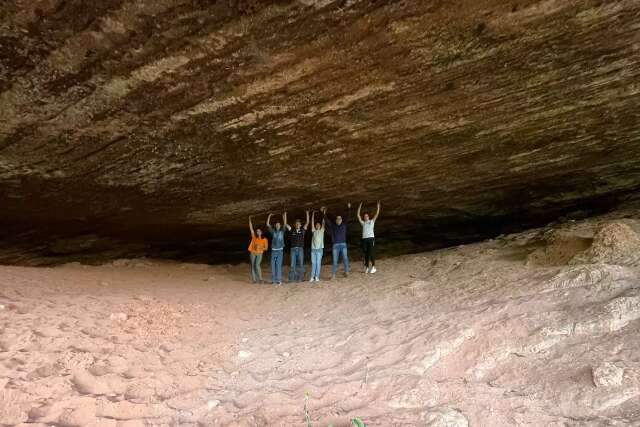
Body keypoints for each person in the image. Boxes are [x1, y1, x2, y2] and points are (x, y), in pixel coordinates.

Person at [321, 203, 350, 280]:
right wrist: (323, 213)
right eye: (337, 219)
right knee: (334, 260)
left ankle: (346, 272)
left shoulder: (344, 224)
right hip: (335, 245)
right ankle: (333, 275)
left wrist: (349, 208)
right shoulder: (333, 226)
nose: (338, 220)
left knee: (345, 258)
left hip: (343, 244)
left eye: (340, 218)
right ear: (336, 220)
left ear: (341, 220)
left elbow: (348, 217)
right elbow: (326, 220)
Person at [285, 210, 309, 282]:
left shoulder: (302, 231)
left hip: (300, 249)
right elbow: (286, 224)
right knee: (292, 264)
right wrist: (285, 214)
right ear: (295, 225)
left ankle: (300, 279)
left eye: (299, 224)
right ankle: (292, 279)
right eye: (296, 224)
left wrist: (307, 213)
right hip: (293, 250)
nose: (297, 225)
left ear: (300, 225)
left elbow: (307, 222)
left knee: (301, 264)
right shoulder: (292, 230)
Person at [357, 201, 380, 274]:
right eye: (364, 216)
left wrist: (378, 207)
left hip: (371, 239)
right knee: (366, 253)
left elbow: (376, 214)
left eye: (367, 216)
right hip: (364, 240)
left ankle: (373, 267)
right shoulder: (363, 223)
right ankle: (367, 267)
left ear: (368, 217)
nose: (366, 217)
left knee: (371, 252)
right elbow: (358, 215)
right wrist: (359, 206)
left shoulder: (372, 221)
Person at [266, 212, 285, 285]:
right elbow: (267, 224)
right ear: (275, 226)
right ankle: (274, 281)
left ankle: (279, 280)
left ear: (280, 226)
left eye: (279, 225)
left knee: (278, 265)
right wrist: (269, 215)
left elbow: (285, 223)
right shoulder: (273, 231)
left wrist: (284, 216)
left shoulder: (282, 231)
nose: (277, 226)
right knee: (273, 265)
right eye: (276, 225)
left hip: (280, 251)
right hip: (274, 251)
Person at [248, 215, 268, 283]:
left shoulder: (264, 239)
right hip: (253, 253)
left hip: (260, 253)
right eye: (257, 231)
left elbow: (266, 248)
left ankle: (260, 279)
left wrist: (260, 247)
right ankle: (254, 280)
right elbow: (251, 229)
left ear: (261, 232)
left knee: (257, 265)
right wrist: (249, 220)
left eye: (259, 231)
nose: (258, 232)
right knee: (253, 266)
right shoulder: (254, 238)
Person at [309, 210, 325, 282]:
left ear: (320, 226)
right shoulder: (313, 230)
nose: (317, 225)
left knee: (318, 263)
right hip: (313, 250)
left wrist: (323, 212)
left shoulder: (322, 230)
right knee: (313, 263)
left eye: (319, 225)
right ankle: (312, 277)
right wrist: (313, 214)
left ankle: (317, 277)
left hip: (319, 250)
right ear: (315, 226)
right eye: (316, 225)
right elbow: (312, 222)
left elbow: (323, 222)